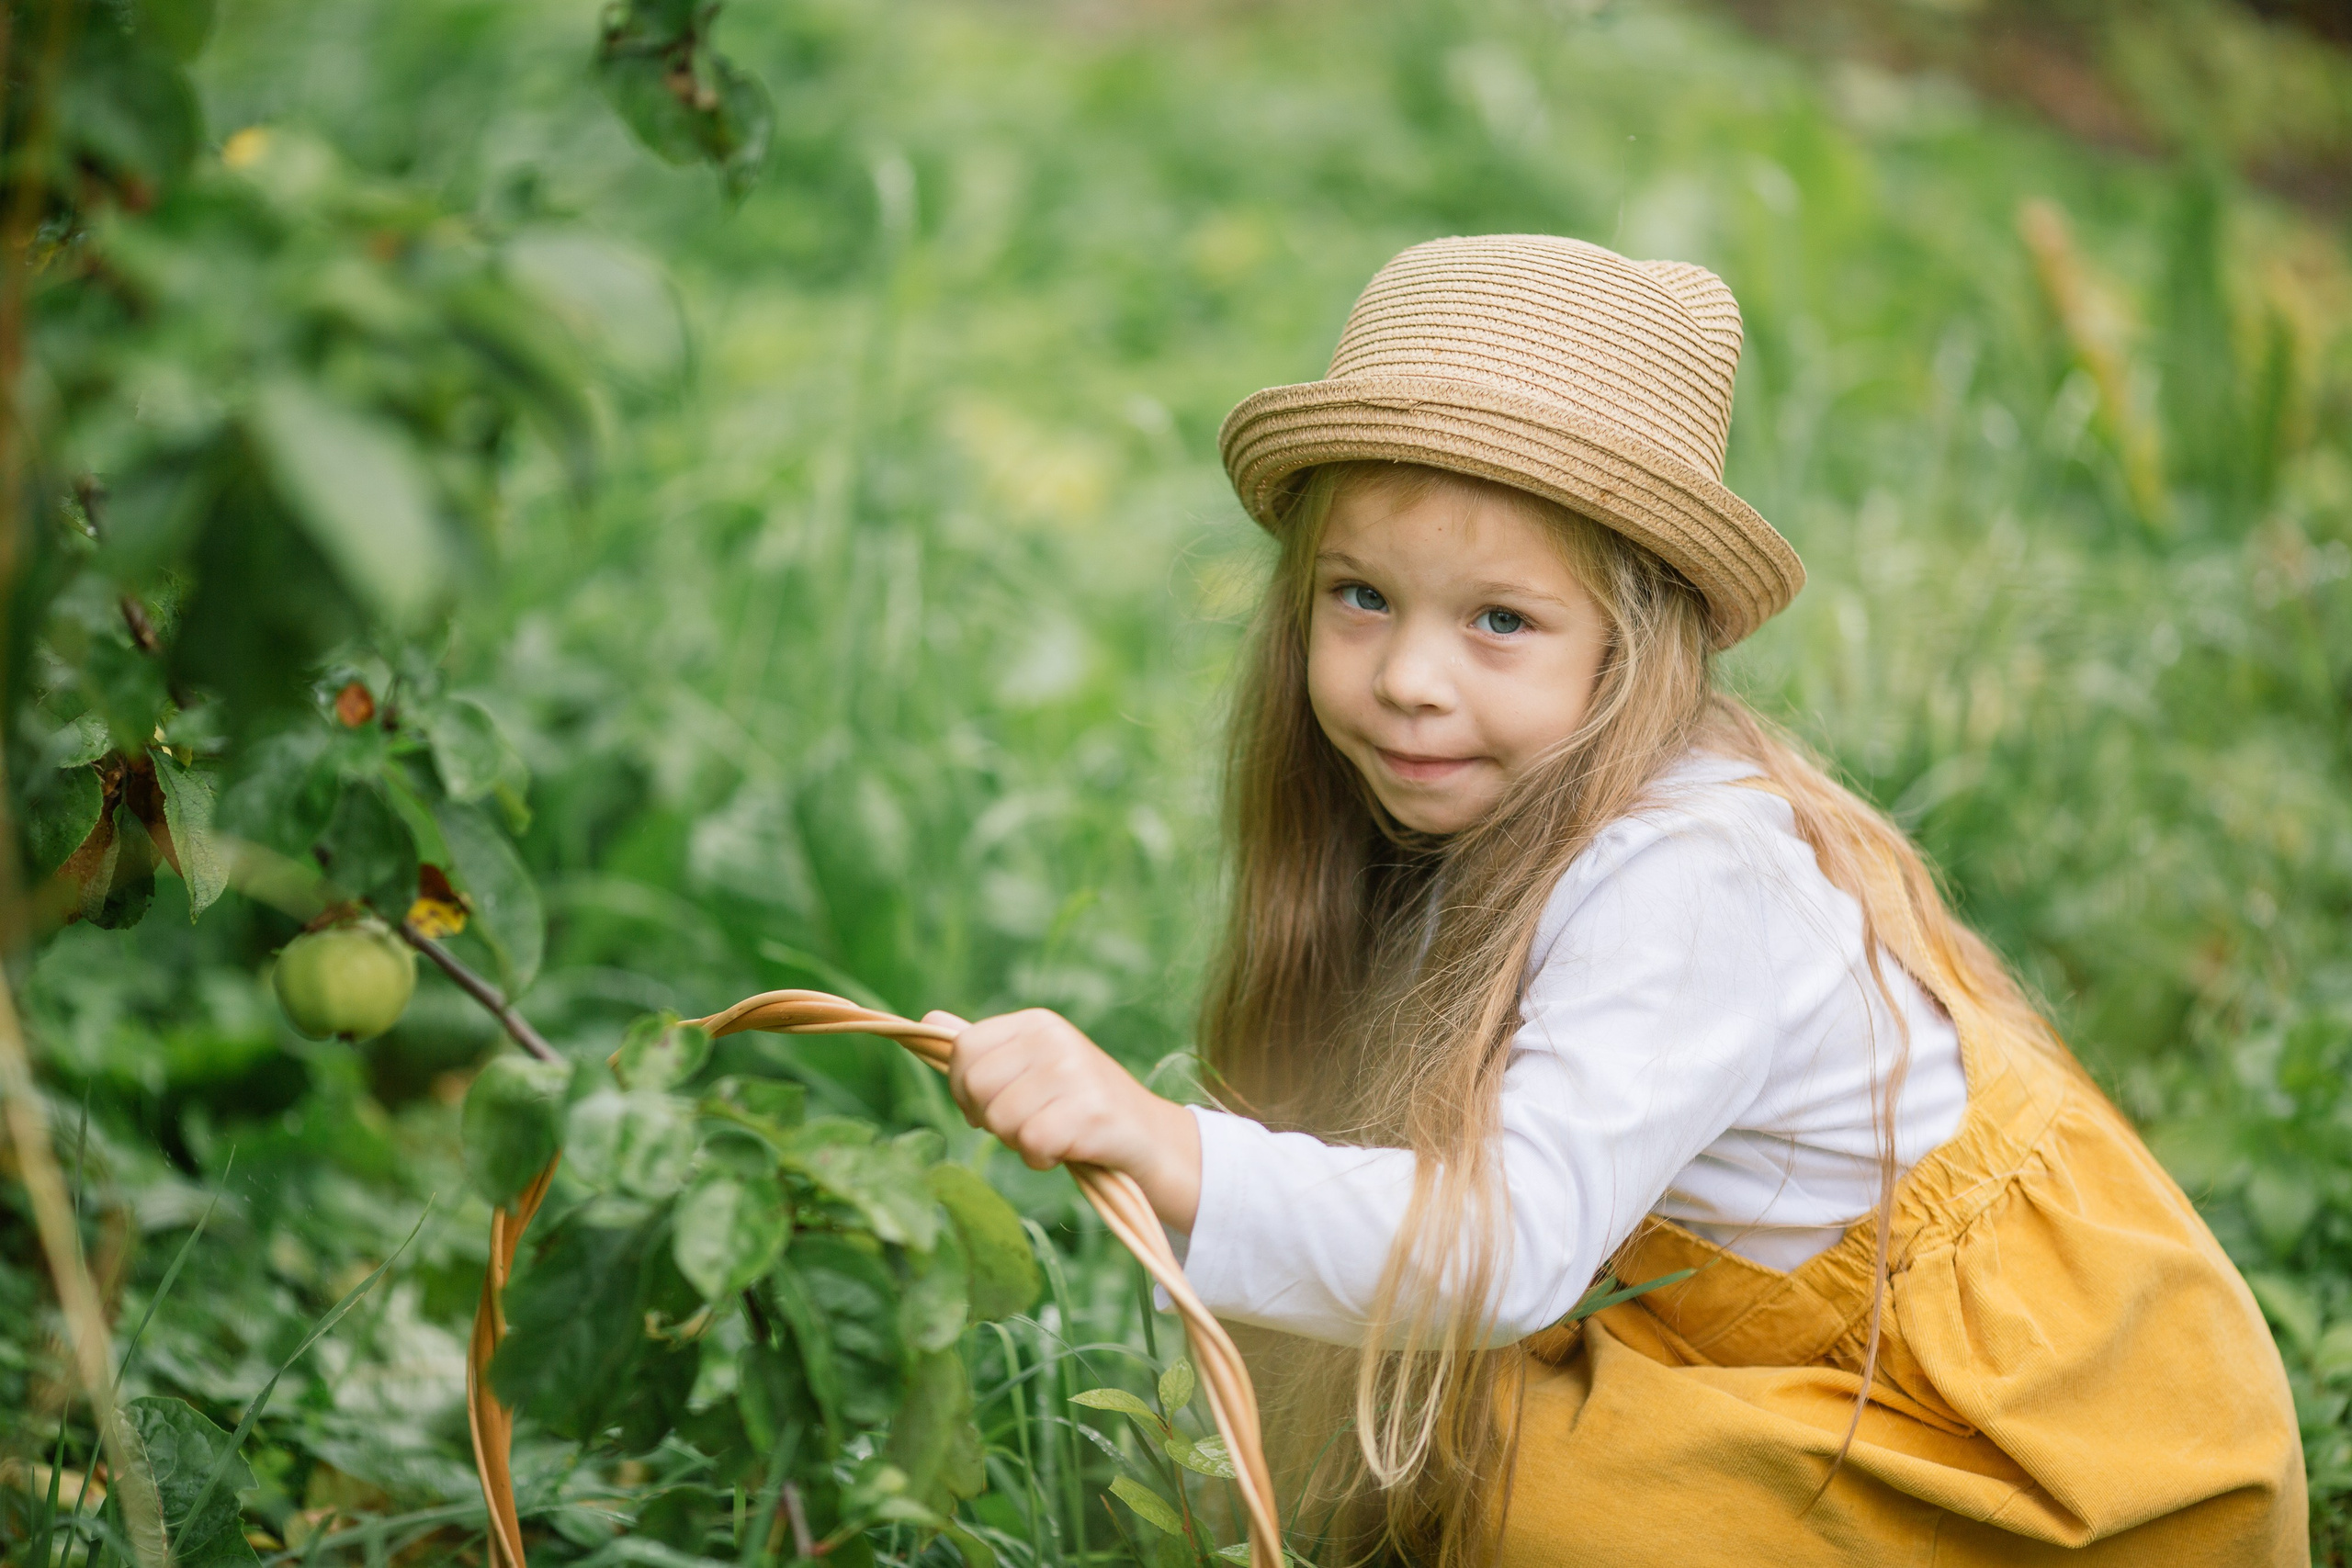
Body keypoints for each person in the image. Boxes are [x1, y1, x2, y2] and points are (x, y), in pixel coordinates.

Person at [931, 235, 2306, 1566]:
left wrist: (1169, 1143)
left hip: (2040, 1446)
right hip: (1763, 1348)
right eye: (1361, 596)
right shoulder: (1504, 792)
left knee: (1515, 1493)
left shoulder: (1688, 876)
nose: (1410, 675)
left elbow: (1509, 1253)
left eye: (1499, 621)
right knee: (1400, 1418)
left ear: (1631, 640)